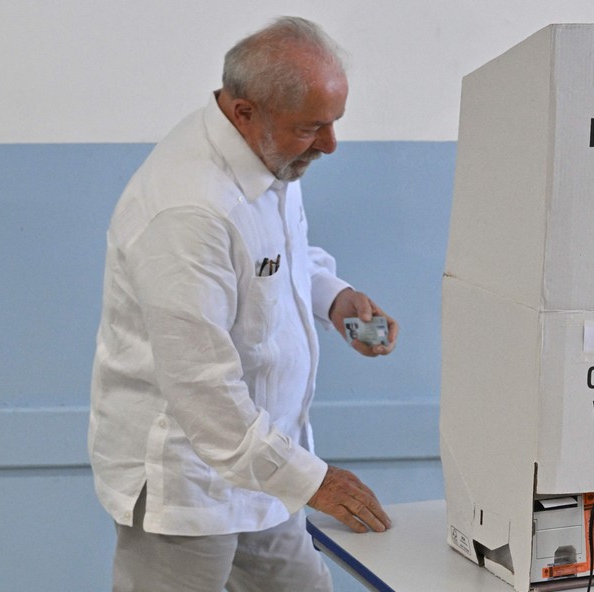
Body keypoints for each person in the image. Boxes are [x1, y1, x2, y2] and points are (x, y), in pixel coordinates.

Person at [88, 16, 398, 592]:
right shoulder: (188, 209)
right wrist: (314, 481)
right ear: (245, 112)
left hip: (263, 468)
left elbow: (280, 251)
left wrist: (332, 296)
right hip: (188, 484)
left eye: (333, 123)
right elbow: (202, 390)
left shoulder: (269, 151)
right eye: (313, 128)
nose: (330, 144)